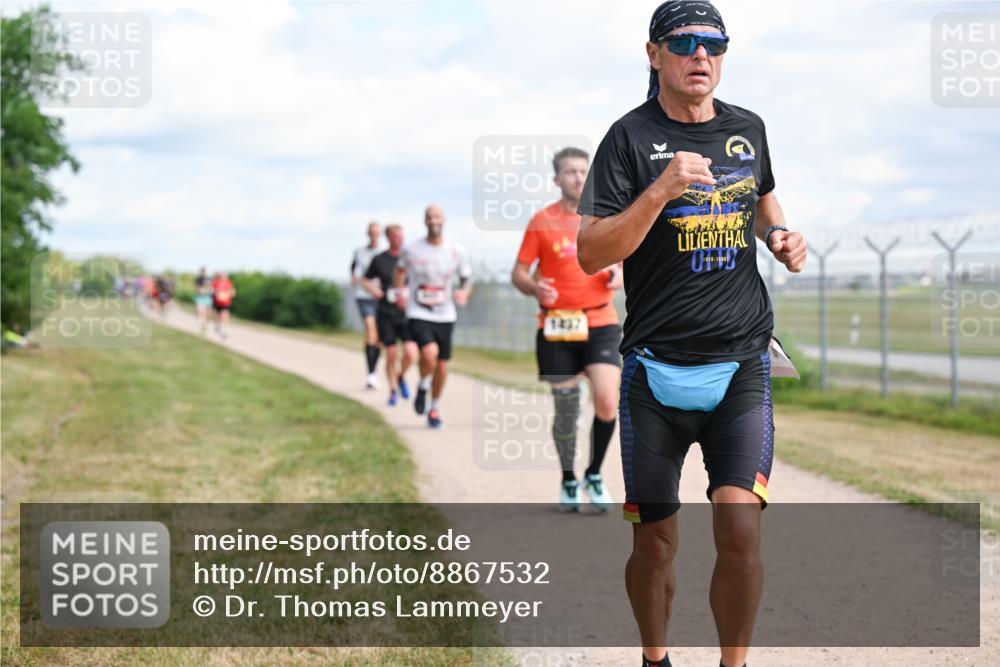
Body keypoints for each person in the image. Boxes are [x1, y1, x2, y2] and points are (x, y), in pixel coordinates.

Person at [575, 3, 807, 666]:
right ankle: (656, 658)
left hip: (740, 364)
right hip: (654, 372)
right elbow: (591, 252)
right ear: (655, 54)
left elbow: (760, 199)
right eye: (684, 43)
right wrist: (660, 190)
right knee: (654, 543)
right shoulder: (627, 138)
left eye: (714, 44)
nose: (700, 55)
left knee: (740, 531)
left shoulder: (747, 129)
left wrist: (780, 237)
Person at [512, 146, 623, 513]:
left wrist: (617, 274)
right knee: (566, 409)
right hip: (557, 323)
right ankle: (568, 478)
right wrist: (534, 287)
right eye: (570, 172)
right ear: (557, 179)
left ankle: (593, 472)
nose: (578, 177)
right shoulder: (541, 221)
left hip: (600, 320)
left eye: (582, 171)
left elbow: (625, 263)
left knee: (608, 400)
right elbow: (519, 273)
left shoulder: (608, 216)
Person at [394, 205, 472, 428]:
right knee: (429, 352)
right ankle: (423, 385)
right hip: (418, 311)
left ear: (444, 219)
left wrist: (463, 292)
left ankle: (434, 406)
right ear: (424, 221)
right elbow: (399, 272)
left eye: (437, 216)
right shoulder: (412, 249)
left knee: (442, 366)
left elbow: (466, 279)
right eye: (429, 217)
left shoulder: (456, 250)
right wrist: (399, 293)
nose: (433, 220)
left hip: (446, 314)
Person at [363, 224, 418, 406]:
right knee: (392, 353)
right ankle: (393, 390)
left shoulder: (410, 258)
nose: (398, 239)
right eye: (394, 236)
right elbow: (364, 278)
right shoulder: (379, 259)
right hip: (386, 312)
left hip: (407, 313)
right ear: (388, 238)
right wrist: (373, 290)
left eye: (400, 236)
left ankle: (401, 376)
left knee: (410, 352)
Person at [351, 222, 384, 389]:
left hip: (381, 298)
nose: (374, 235)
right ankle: (371, 375)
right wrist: (365, 285)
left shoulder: (384, 253)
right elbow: (354, 273)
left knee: (378, 338)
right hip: (364, 296)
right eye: (371, 232)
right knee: (370, 332)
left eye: (376, 232)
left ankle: (374, 372)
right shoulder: (359, 252)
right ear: (368, 233)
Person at [211, 272, 236, 339]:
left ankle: (224, 331)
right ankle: (218, 326)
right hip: (217, 303)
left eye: (225, 276)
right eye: (222, 276)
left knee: (225, 316)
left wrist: (232, 293)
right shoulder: (216, 282)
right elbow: (212, 291)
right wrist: (217, 293)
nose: (224, 277)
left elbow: (232, 291)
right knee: (218, 316)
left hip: (226, 303)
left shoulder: (228, 282)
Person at [193, 267, 213, 335]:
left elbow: (212, 289)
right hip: (200, 298)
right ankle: (201, 326)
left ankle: (205, 326)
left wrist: (206, 290)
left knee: (207, 314)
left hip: (207, 298)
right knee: (200, 312)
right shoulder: (197, 280)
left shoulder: (209, 279)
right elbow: (199, 290)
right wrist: (207, 290)